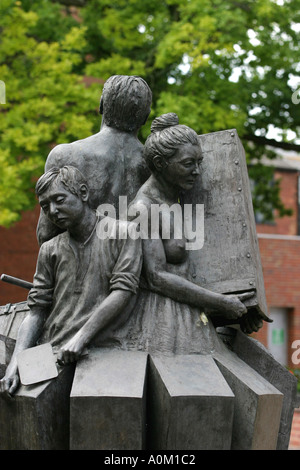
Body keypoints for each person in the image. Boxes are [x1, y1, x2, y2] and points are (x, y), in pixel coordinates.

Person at [0, 166, 142, 397]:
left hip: (105, 348)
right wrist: (16, 362)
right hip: (51, 350)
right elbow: (36, 311)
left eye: (59, 200)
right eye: (45, 206)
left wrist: (81, 338)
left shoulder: (124, 232)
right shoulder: (49, 249)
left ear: (83, 194)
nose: (52, 211)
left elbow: (123, 291)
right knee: (19, 401)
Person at [124, 113, 255, 354]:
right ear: (160, 163)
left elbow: (200, 272)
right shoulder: (143, 209)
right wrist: (222, 303)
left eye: (199, 163)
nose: (196, 171)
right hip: (162, 325)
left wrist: (242, 309)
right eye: (187, 164)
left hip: (192, 315)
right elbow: (157, 277)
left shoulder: (181, 201)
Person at [37, 75, 152, 245]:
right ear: (145, 116)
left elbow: (46, 235)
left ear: (101, 105)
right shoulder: (155, 164)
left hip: (79, 266)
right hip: (135, 266)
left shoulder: (64, 155)